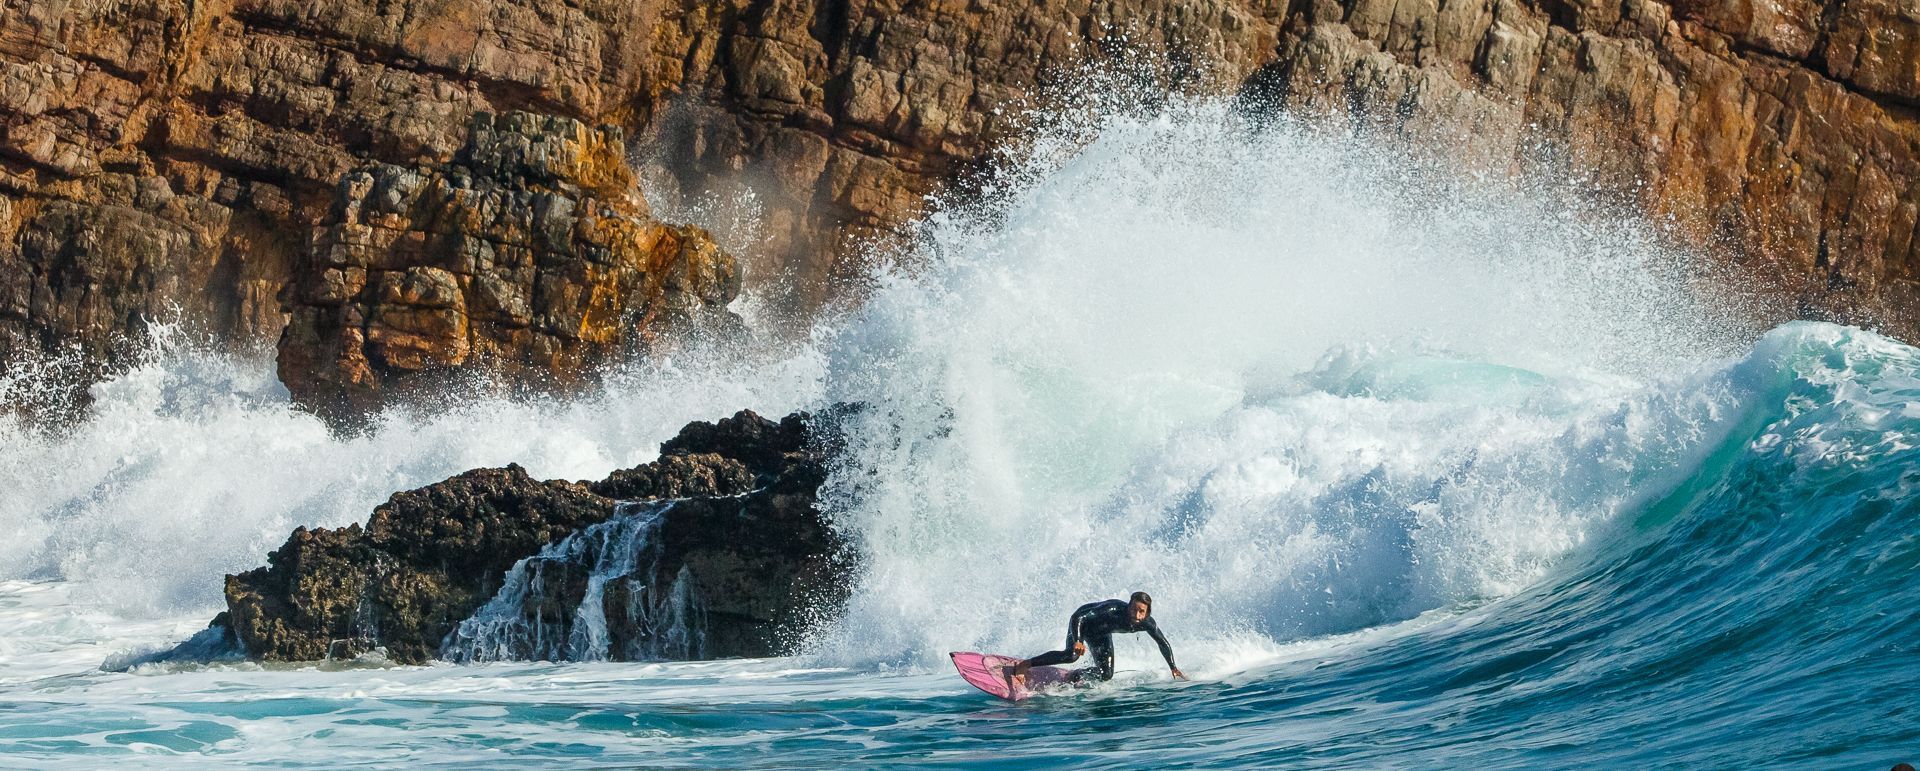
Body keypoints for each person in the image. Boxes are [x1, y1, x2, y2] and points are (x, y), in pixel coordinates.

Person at [1010, 591, 1186, 686]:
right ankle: (1025, 664)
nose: (1136, 614)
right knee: (1071, 656)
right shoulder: (1113, 609)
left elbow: (1162, 642)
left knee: (1106, 675)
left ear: (1147, 612)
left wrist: (1173, 667)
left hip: (1101, 635)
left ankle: (1075, 676)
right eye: (1133, 609)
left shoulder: (1147, 623)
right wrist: (1078, 640)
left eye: (1141, 611)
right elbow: (1079, 616)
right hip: (1082, 624)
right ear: (1128, 606)